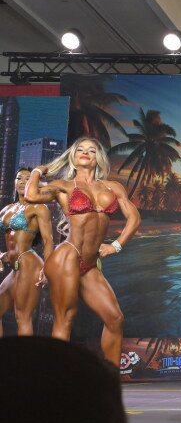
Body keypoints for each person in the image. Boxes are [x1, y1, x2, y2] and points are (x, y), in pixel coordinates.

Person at [24, 138, 141, 364]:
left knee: (115, 318)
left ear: (98, 157)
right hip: (67, 257)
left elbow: (134, 218)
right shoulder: (63, 186)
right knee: (65, 319)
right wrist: (37, 171)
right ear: (73, 157)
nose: (85, 152)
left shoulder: (113, 187)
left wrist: (116, 245)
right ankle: (60, 380)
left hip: (90, 263)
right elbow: (31, 196)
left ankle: (110, 378)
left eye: (91, 150)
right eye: (80, 149)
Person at [0, 168, 54, 335]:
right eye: (19, 178)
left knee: (22, 317)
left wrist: (48, 269)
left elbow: (48, 240)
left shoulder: (39, 208)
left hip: (29, 264)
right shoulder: (7, 209)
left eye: (28, 178)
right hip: (15, 268)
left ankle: (24, 353)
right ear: (14, 182)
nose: (23, 182)